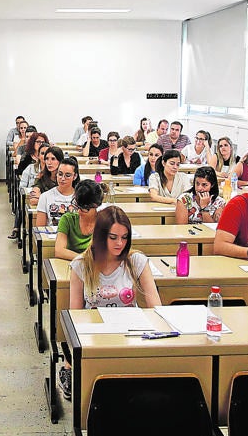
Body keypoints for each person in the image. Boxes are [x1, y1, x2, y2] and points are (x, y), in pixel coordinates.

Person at [63, 207, 162, 400]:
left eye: (125, 237)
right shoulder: (81, 265)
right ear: (101, 236)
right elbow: (75, 315)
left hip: (130, 333)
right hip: (95, 335)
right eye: (113, 237)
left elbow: (155, 308)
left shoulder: (137, 261)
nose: (120, 243)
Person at [54, 179, 106, 261]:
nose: (79, 211)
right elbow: (59, 251)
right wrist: (85, 259)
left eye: (84, 208)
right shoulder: (68, 219)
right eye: (77, 206)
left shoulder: (104, 223)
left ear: (96, 205)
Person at [35, 157, 80, 227]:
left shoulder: (81, 197)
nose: (62, 178)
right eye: (60, 174)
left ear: (75, 176)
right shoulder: (45, 196)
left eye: (67, 175)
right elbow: (40, 228)